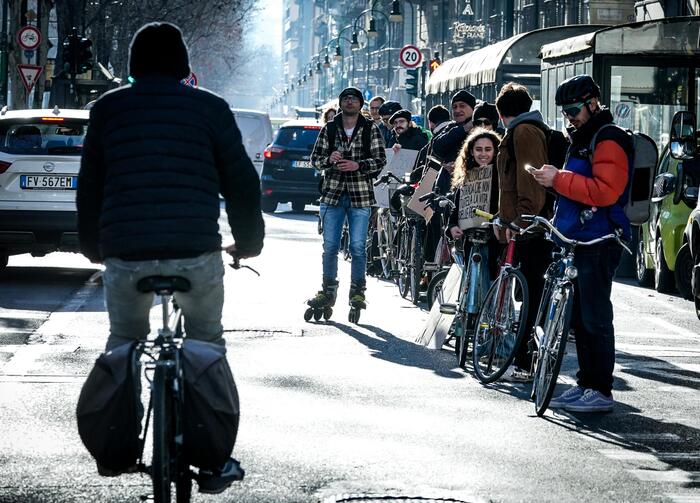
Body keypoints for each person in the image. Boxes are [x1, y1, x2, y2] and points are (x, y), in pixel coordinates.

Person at [76, 22, 262, 493]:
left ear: (134, 63)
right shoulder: (211, 109)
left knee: (124, 341)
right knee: (207, 342)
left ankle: (117, 446)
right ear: (183, 64)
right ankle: (214, 456)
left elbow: (91, 186)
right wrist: (247, 241)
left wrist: (94, 247)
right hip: (194, 251)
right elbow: (240, 181)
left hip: (127, 253)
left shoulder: (108, 109)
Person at [532, 75, 632, 413]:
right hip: (580, 237)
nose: (569, 117)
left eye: (574, 110)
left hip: (600, 239)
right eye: (564, 112)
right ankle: (587, 384)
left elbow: (606, 191)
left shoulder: (608, 138)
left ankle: (600, 390)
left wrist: (557, 179)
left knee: (594, 317)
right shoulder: (585, 137)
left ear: (593, 104)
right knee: (580, 319)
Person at [307, 86, 386, 317]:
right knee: (330, 247)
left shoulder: (369, 128)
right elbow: (315, 160)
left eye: (354, 99)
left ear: (360, 104)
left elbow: (380, 159)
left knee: (358, 247)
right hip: (332, 194)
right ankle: (327, 290)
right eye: (346, 99)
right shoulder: (330, 129)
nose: (350, 102)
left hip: (360, 195)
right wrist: (329, 159)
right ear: (340, 103)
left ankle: (357, 291)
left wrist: (358, 165)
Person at [494, 82, 553, 382]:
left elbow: (530, 180)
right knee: (526, 292)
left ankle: (525, 363)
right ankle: (522, 359)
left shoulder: (524, 132)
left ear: (501, 112)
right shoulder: (519, 130)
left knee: (530, 295)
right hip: (522, 226)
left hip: (531, 228)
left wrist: (523, 219)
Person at [447, 128, 502, 277]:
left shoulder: (502, 177)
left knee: (491, 279)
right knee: (469, 278)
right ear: (471, 152)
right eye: (478, 149)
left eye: (488, 149)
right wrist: (452, 226)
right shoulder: (465, 176)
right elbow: (457, 206)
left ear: (495, 151)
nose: (483, 154)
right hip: (470, 238)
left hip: (493, 238)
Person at [431, 90, 477, 195]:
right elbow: (437, 146)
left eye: (462, 106)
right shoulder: (452, 128)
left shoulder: (480, 128)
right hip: (447, 188)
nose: (458, 110)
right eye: (454, 107)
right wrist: (463, 129)